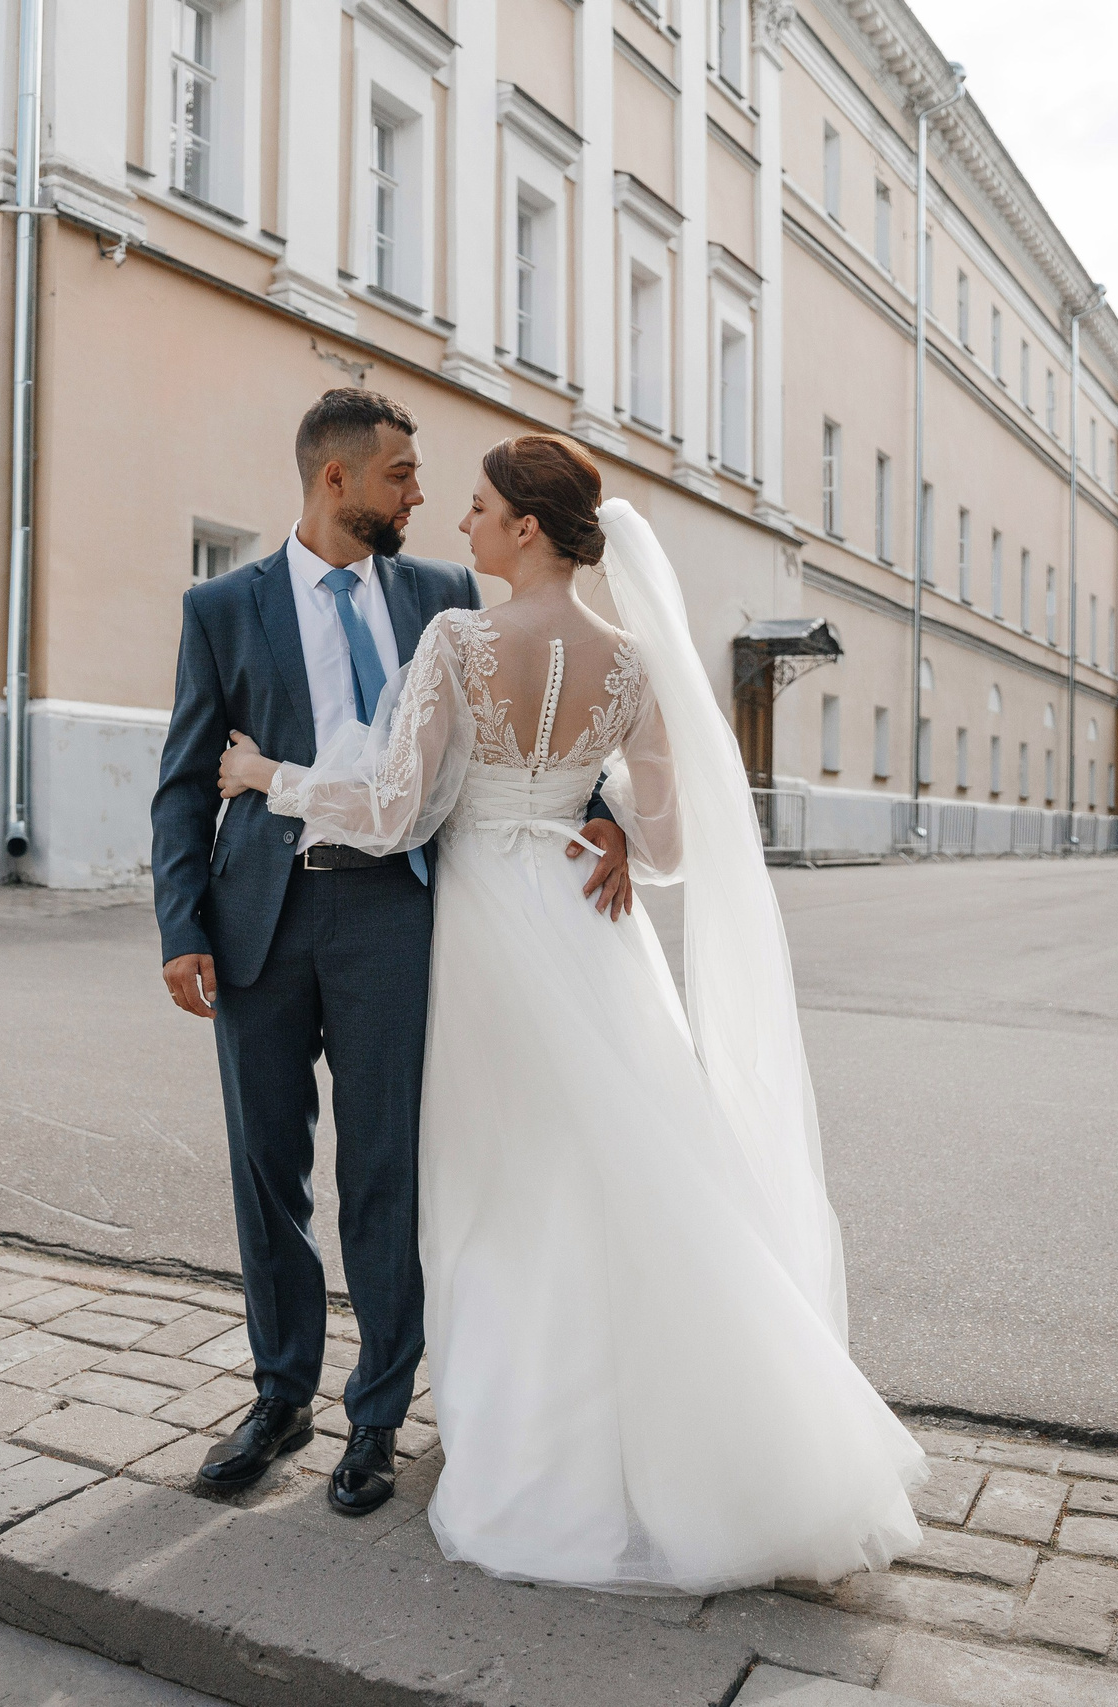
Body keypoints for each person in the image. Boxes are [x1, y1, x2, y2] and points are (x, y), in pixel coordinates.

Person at [215, 434, 924, 1594]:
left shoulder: (459, 638)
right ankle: (692, 1437)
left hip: (489, 935)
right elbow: (672, 840)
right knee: (621, 1177)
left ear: (527, 530)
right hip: (594, 931)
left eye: (483, 507)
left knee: (499, 1193)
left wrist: (268, 780)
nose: (465, 525)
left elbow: (395, 810)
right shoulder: (635, 660)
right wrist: (604, 829)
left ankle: (532, 1449)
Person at [149, 391, 632, 1517]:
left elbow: (526, 718)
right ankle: (279, 1400)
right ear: (338, 481)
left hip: (397, 917)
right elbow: (183, 778)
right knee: (268, 1174)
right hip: (258, 920)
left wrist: (602, 805)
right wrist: (180, 929)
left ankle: (375, 1419)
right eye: (403, 475)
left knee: (384, 1175)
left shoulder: (445, 596)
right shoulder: (223, 605)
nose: (421, 494)